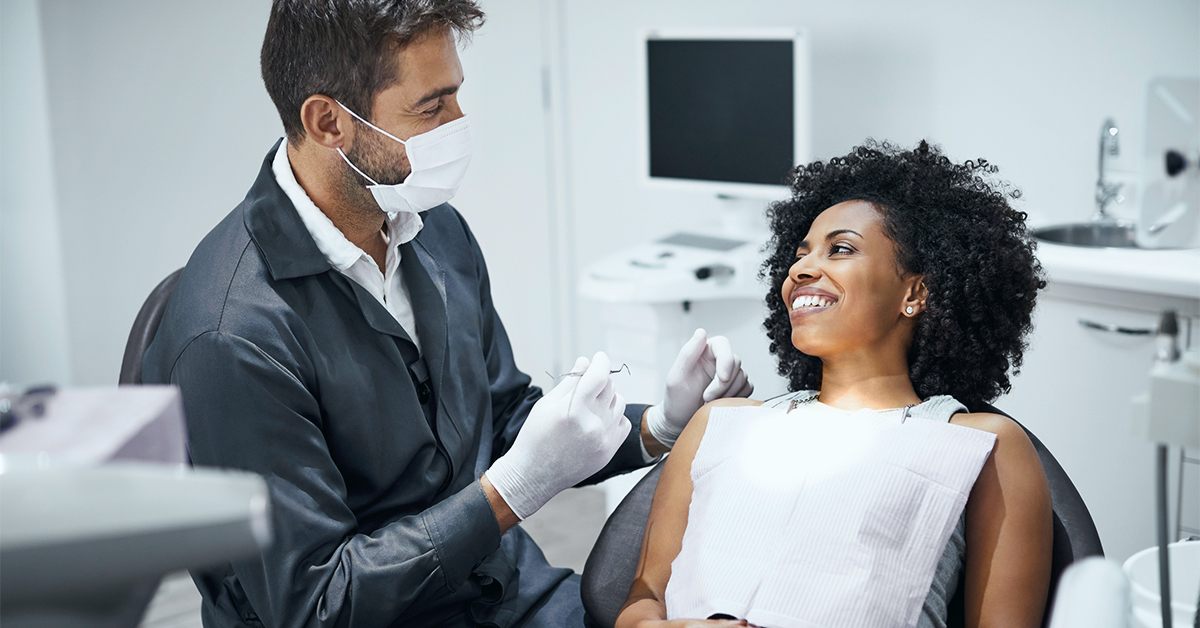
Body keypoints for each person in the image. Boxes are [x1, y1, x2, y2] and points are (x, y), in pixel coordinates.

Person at [141, 2, 752, 627]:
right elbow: (314, 602)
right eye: (432, 107)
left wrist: (658, 425)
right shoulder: (235, 334)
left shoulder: (434, 232)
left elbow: (504, 415)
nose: (458, 124)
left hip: (503, 592)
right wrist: (508, 494)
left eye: (455, 97)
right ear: (329, 123)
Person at [616, 141, 1054, 628]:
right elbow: (643, 598)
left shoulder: (984, 444)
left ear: (915, 293)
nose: (800, 270)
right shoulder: (718, 422)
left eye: (840, 249)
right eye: (800, 254)